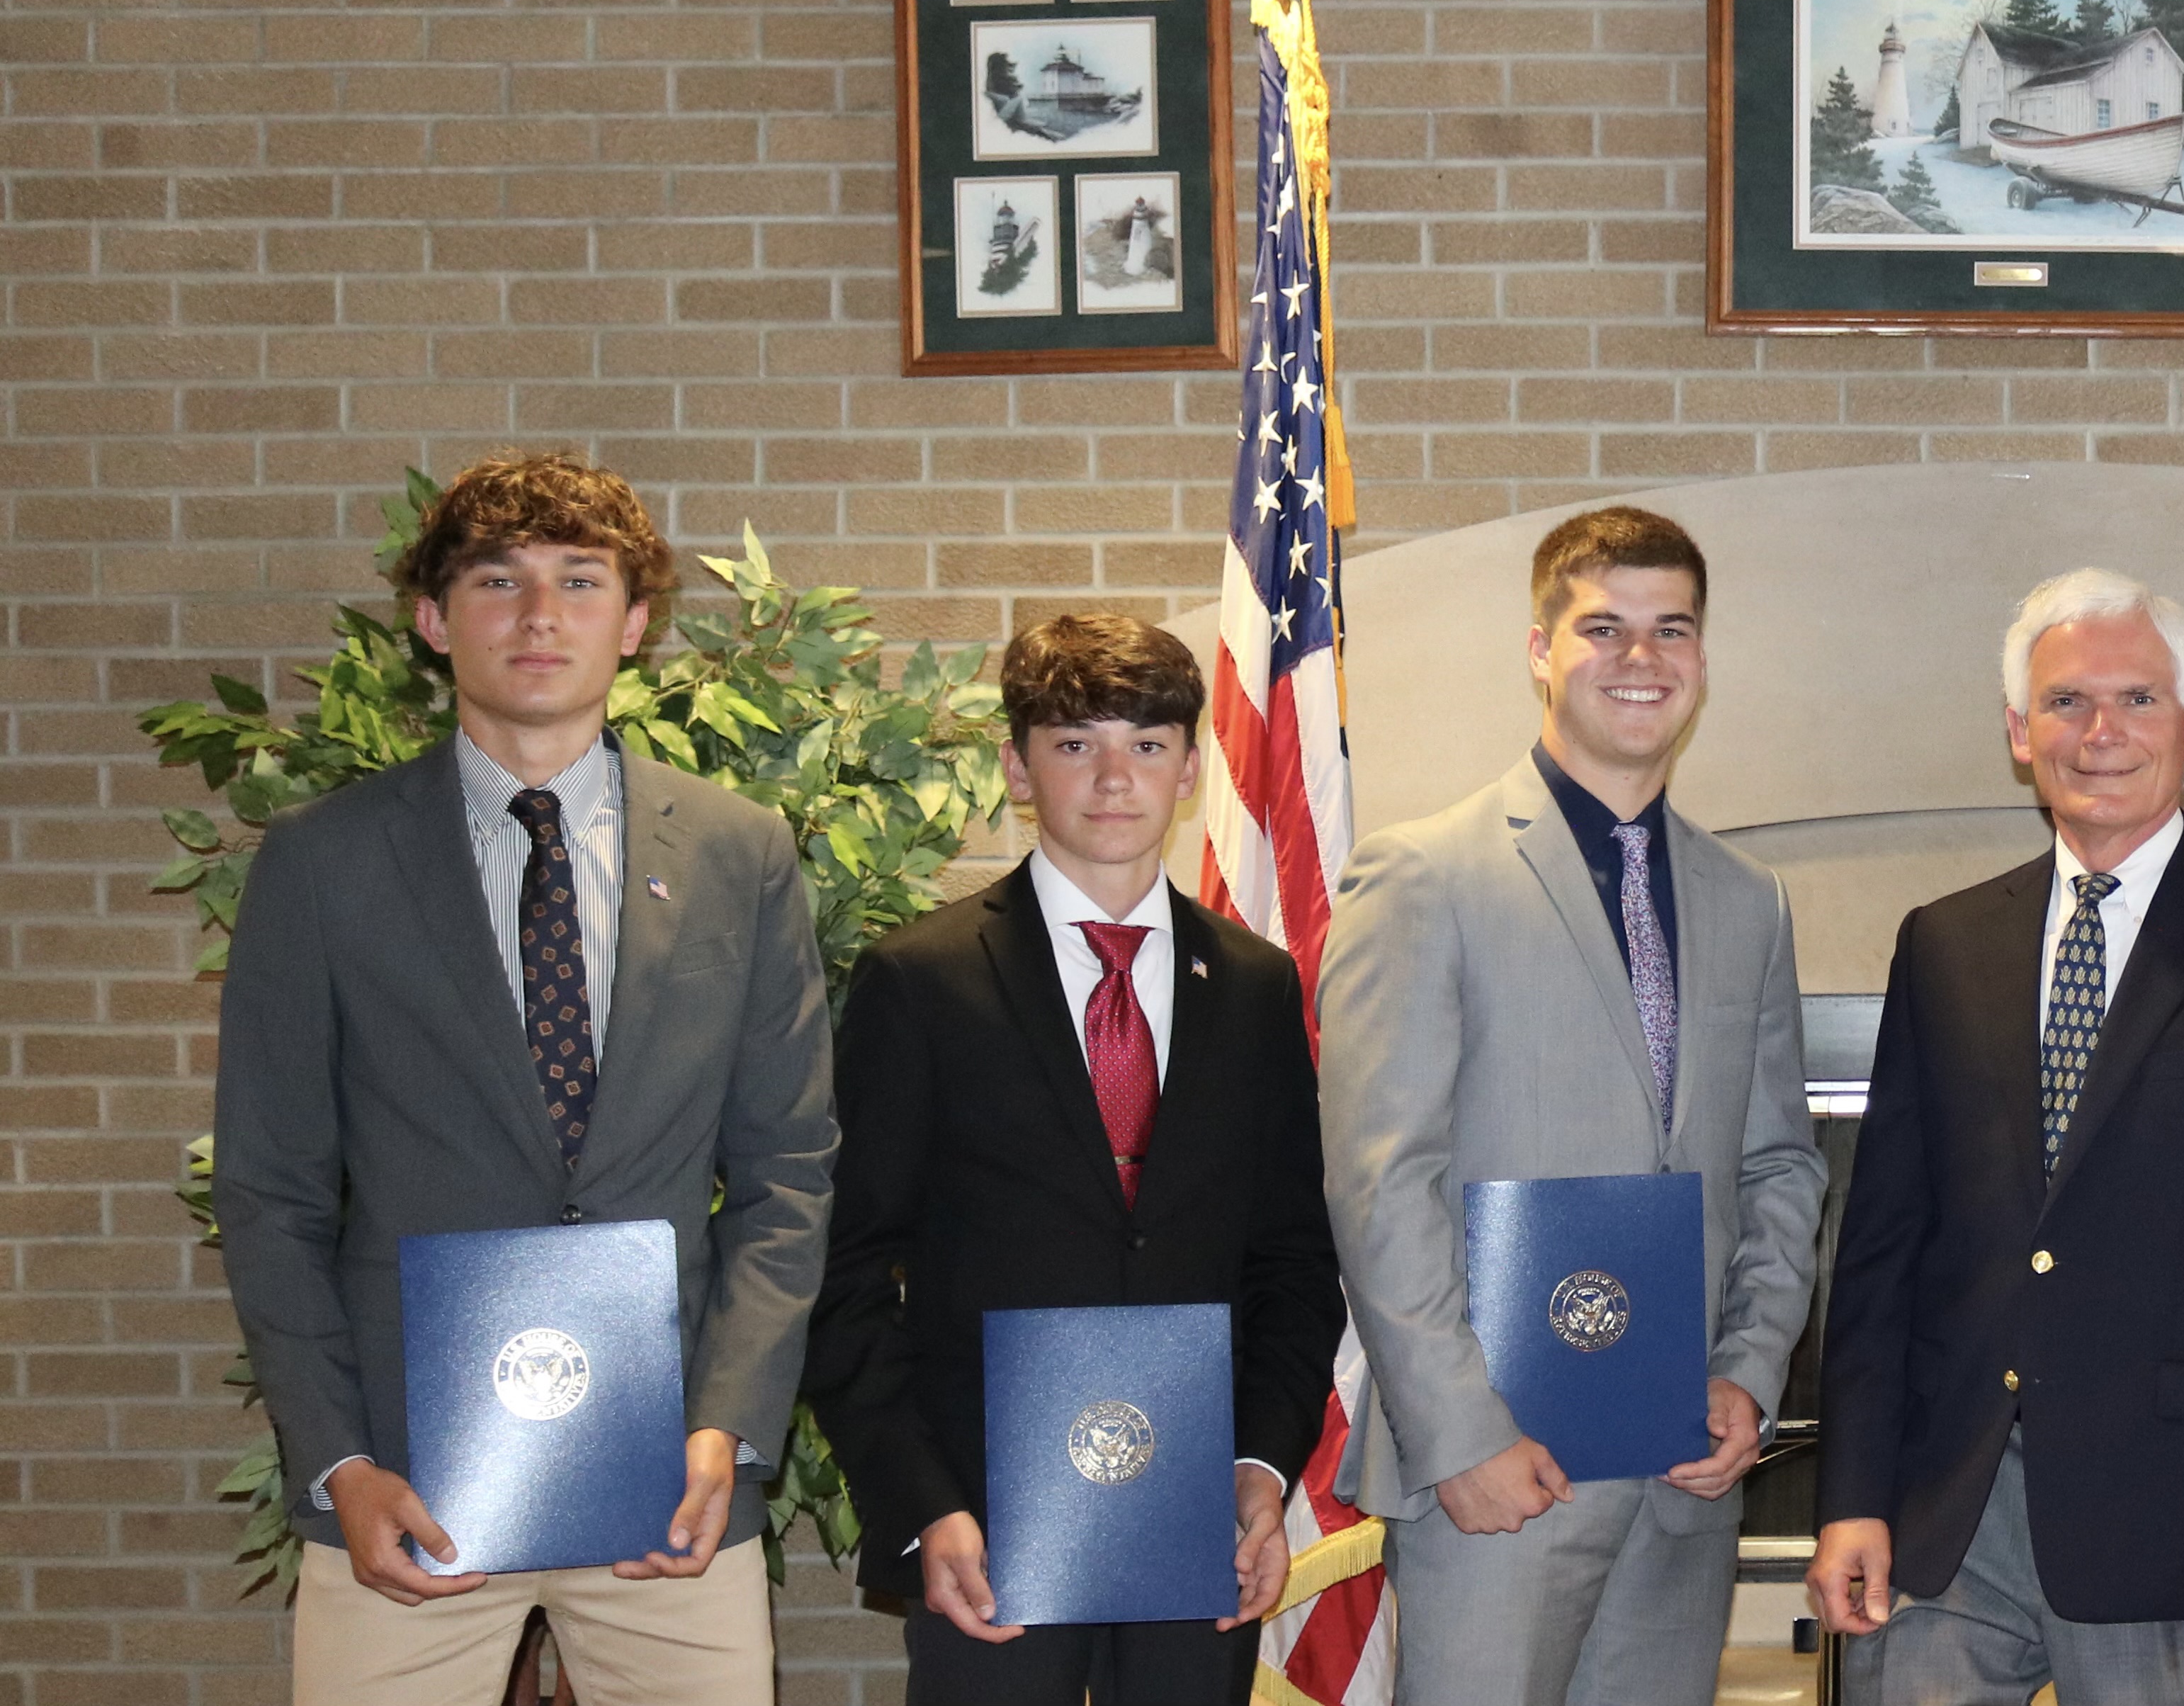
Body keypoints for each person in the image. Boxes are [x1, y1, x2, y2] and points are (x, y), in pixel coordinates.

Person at [210, 454, 835, 1706]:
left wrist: (725, 1422)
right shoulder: (322, 863)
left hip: (671, 1487)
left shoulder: (740, 853)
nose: (541, 615)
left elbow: (788, 1174)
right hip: (407, 1489)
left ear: (637, 622)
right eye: (498, 581)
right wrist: (339, 1463)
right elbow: (271, 1193)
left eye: (580, 581)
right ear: (434, 621)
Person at [1809, 569, 2184, 1700]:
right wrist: (1852, 1497)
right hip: (1947, 1524)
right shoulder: (1944, 944)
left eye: (2138, 698)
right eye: (2067, 702)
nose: (2101, 732)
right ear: (2019, 732)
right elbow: (1881, 1253)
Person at [1318, 505, 1830, 1706]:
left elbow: (1780, 1167)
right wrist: (1461, 1435)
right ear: (1541, 650)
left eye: (1671, 629)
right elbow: (1381, 1181)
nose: (1640, 657)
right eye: (1603, 627)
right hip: (1500, 1476)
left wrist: (1748, 1375)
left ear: (1701, 657)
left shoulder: (1748, 898)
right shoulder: (1423, 874)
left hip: (1682, 1479)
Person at [805, 614, 1345, 1706]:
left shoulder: (1253, 984)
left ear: (1189, 770)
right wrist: (923, 1501)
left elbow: (1291, 1261)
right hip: (987, 1527)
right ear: (1018, 767)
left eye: (1146, 743)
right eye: (1072, 743)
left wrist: (1257, 1466)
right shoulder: (921, 979)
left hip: (1195, 1514)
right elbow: (845, 1269)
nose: (1112, 776)